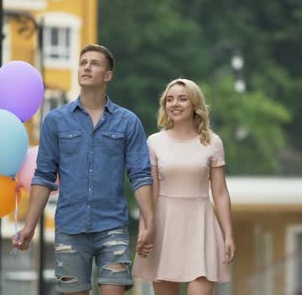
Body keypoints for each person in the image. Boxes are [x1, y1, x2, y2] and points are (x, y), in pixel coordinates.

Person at [12, 44, 155, 295]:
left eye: (95, 63)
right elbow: (43, 176)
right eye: (83, 62)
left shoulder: (128, 122)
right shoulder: (55, 121)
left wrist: (149, 221)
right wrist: (29, 225)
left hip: (112, 227)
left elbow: (140, 174)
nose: (87, 67)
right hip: (69, 228)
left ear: (107, 75)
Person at [132, 78, 235, 295]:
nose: (174, 104)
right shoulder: (154, 142)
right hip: (164, 226)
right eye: (169, 100)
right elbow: (150, 193)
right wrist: (145, 229)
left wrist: (228, 234)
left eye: (182, 99)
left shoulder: (212, 142)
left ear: (195, 105)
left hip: (201, 226)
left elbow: (220, 193)